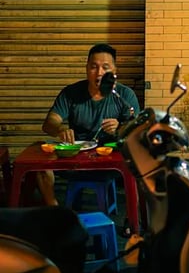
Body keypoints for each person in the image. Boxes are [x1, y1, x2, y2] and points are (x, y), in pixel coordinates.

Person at [37, 43, 140, 205]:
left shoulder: (125, 95)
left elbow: (136, 131)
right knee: (40, 166)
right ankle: (54, 211)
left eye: (105, 67)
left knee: (140, 162)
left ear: (114, 71)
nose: (99, 73)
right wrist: (60, 129)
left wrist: (120, 128)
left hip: (111, 163)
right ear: (86, 69)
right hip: (75, 161)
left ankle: (133, 222)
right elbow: (49, 123)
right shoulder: (71, 93)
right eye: (94, 67)